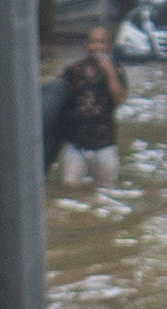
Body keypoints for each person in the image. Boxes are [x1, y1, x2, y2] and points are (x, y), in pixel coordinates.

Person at [50, 26, 126, 188]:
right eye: (93, 42)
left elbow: (119, 100)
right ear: (87, 45)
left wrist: (110, 73)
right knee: (68, 188)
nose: (96, 47)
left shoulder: (117, 71)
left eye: (101, 42)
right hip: (76, 144)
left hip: (105, 145)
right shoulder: (73, 71)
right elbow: (58, 101)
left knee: (107, 190)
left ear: (109, 46)